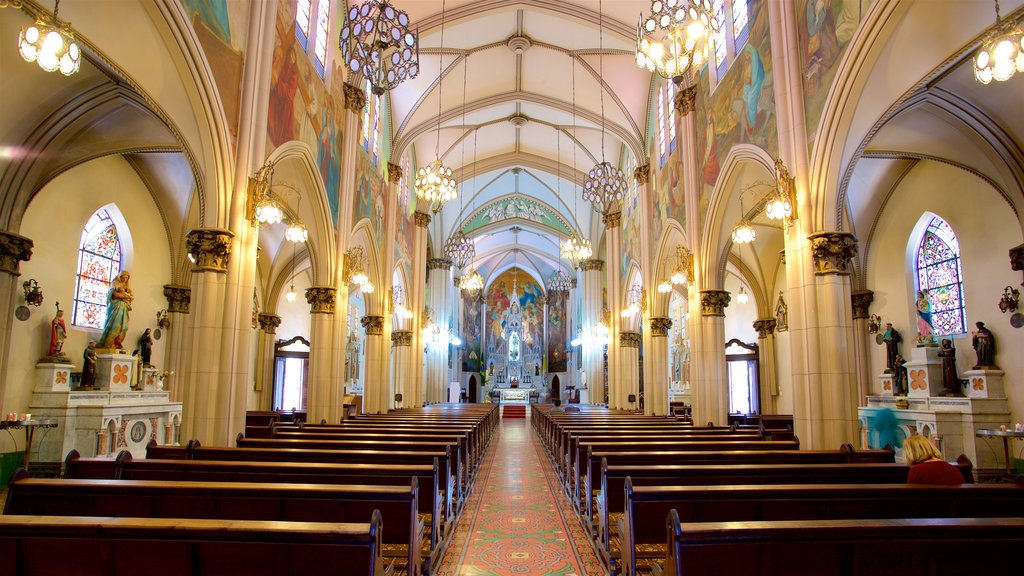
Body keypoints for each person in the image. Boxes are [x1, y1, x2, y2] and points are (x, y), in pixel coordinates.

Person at [98, 271, 133, 350]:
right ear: (119, 277)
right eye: (123, 277)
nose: (124, 279)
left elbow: (131, 296)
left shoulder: (126, 287)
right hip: (115, 307)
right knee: (115, 325)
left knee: (123, 326)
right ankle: (109, 343)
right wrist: (126, 297)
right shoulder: (114, 284)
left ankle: (117, 343)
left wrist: (128, 296)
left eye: (126, 278)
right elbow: (115, 295)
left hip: (123, 308)